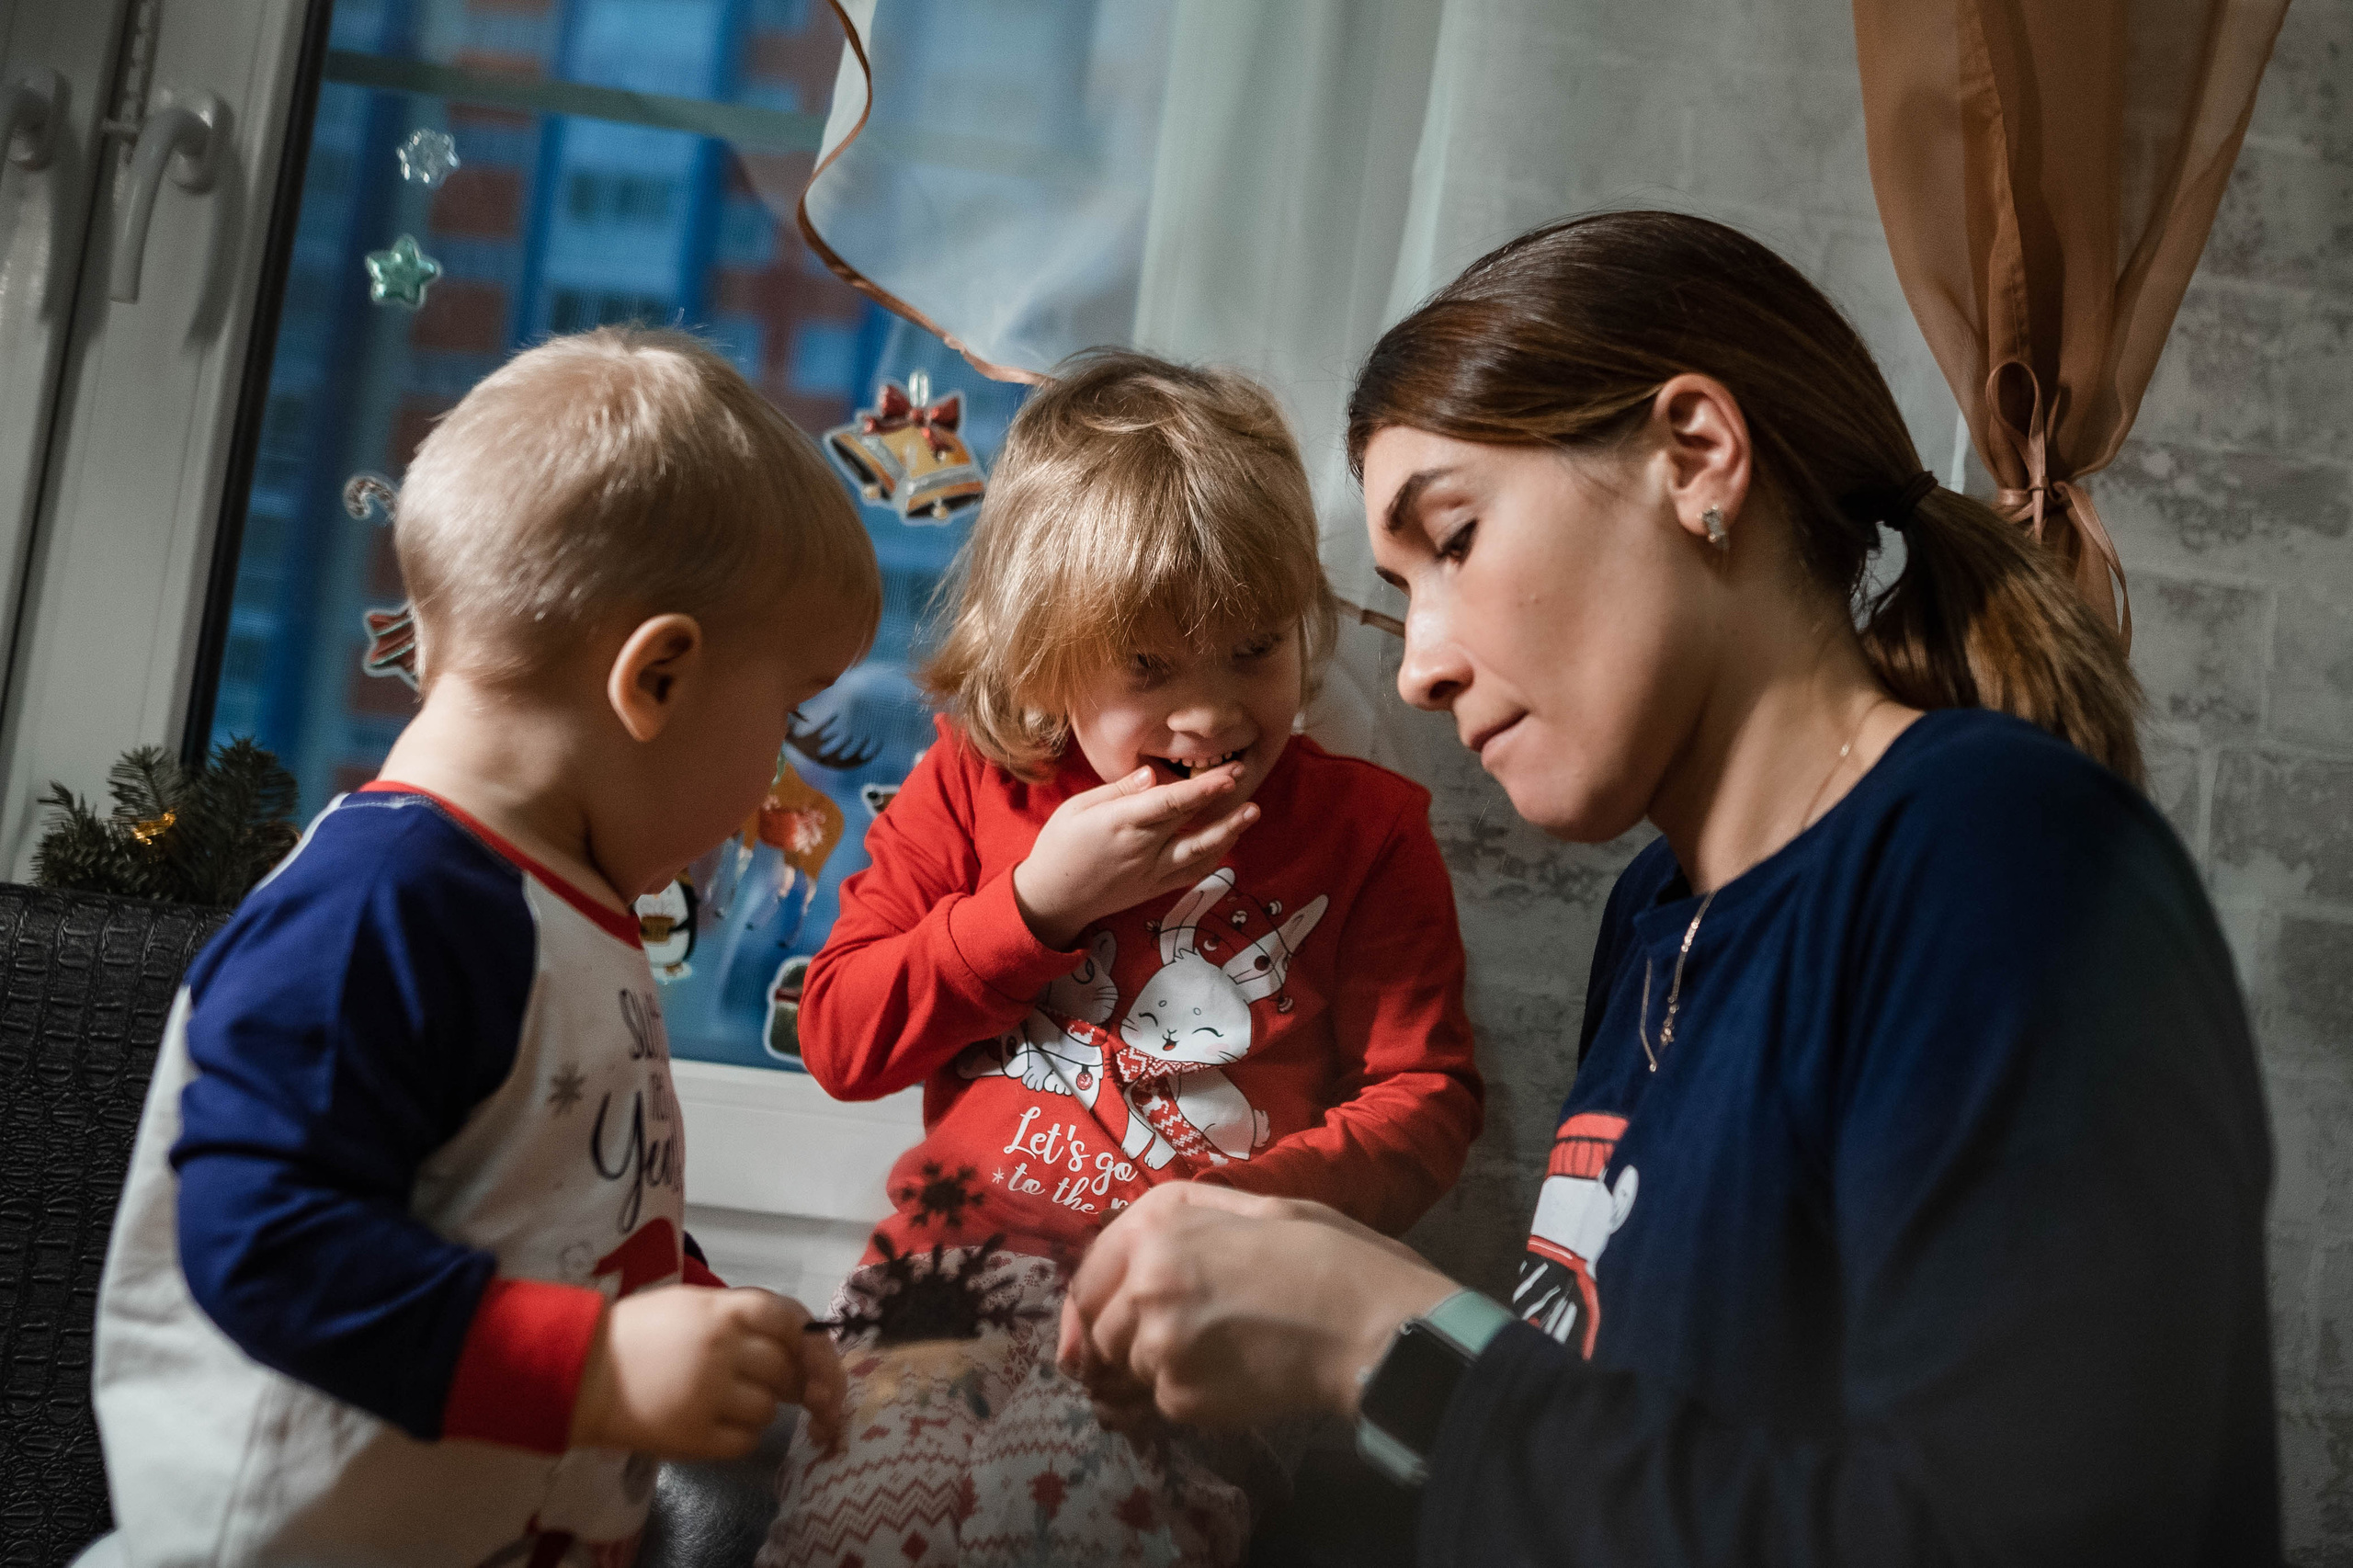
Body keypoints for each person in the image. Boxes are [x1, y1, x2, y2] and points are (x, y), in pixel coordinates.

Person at [1060, 211, 2279, 1566]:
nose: (1419, 666)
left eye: (1453, 538)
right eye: (1403, 593)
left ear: (1696, 456)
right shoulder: (1652, 922)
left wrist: (1383, 1333)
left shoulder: (2001, 861)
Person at [87, 328, 868, 1568]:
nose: (771, 776)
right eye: (783, 712)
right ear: (656, 677)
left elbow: (552, 1193)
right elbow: (261, 1236)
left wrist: (698, 1314)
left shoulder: (561, 902)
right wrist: (593, 1361)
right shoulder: (385, 903)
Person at [761, 350, 1485, 1568]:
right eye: (1149, 668)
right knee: (854, 1529)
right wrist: (1038, 905)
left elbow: (1430, 1097)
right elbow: (840, 1034)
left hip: (1197, 1308)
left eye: (1253, 650)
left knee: (1080, 1519)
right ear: (1048, 659)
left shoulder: (1368, 832)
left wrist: (1232, 1219)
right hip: (937, 1283)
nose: (1209, 716)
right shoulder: (973, 787)